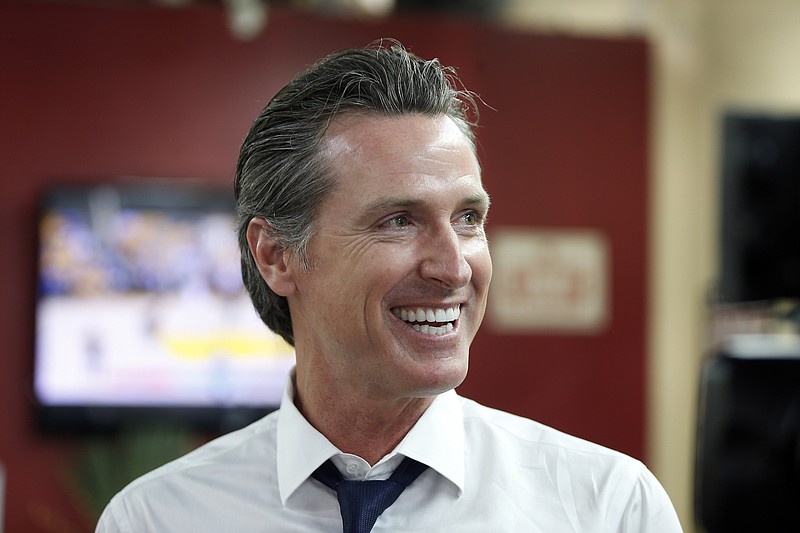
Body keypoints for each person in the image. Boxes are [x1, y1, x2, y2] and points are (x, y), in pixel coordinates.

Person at [96, 39, 683, 532]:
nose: (453, 268)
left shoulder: (608, 508)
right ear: (276, 256)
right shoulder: (155, 520)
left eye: (468, 219)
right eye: (398, 221)